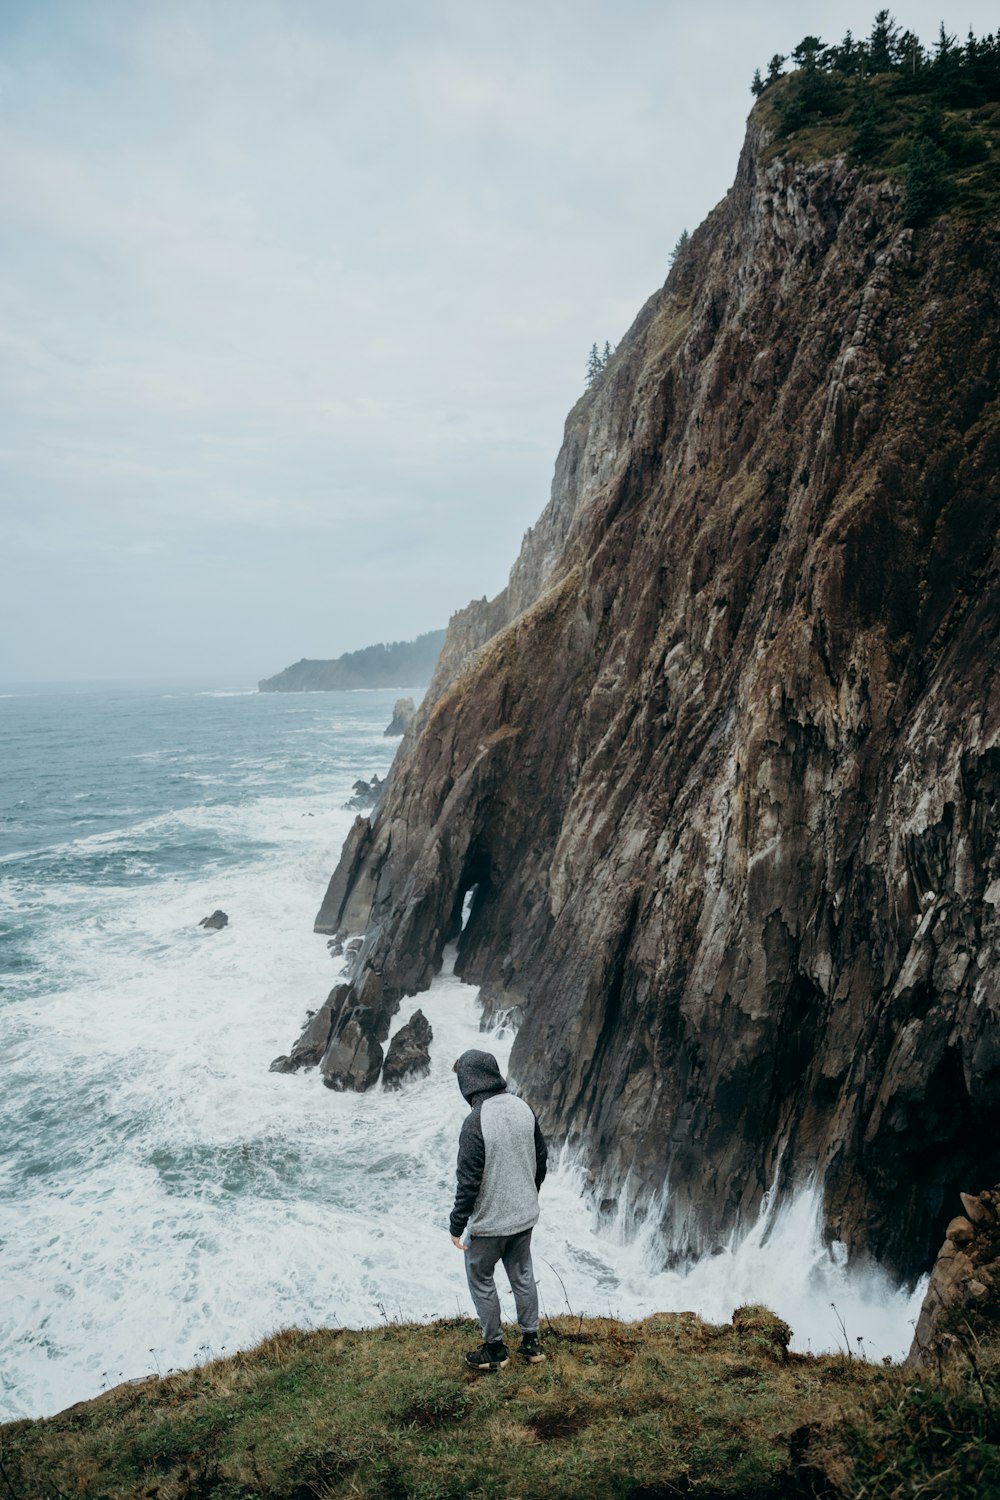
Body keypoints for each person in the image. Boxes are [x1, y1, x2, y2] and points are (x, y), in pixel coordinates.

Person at [449, 1048, 548, 1371]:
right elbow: (541, 1161)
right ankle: (531, 1343)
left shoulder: (475, 1122)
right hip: (523, 1218)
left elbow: (468, 1182)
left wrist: (456, 1224)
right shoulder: (523, 1108)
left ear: (469, 1082)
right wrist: (527, 1196)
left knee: (481, 1279)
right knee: (523, 1275)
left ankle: (495, 1349)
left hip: (489, 1226)